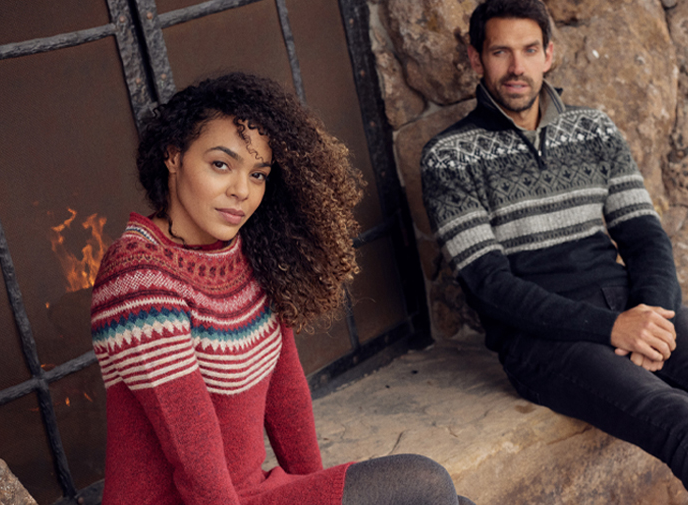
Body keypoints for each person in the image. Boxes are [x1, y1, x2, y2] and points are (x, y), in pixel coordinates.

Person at [420, 1, 688, 504]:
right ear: (478, 61)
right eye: (500, 52)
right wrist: (609, 329)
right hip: (541, 340)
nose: (516, 67)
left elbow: (645, 237)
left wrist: (649, 311)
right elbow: (491, 288)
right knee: (681, 420)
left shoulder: (593, 130)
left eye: (528, 50)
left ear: (550, 54)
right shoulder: (450, 157)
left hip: (630, 303)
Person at [91, 72, 475, 505]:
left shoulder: (247, 253)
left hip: (253, 491)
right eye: (221, 164)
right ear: (174, 156)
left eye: (258, 175)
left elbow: (286, 396)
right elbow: (196, 465)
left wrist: (322, 490)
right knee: (425, 482)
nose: (241, 191)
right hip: (196, 501)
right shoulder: (137, 280)